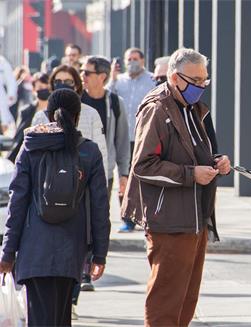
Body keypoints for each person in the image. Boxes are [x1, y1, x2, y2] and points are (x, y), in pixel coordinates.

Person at [121, 48, 231, 327]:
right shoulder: (158, 108)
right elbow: (143, 165)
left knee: (186, 301)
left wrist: (216, 161)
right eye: (195, 79)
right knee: (166, 303)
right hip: (169, 221)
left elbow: (195, 153)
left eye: (205, 80)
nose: (201, 86)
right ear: (174, 77)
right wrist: (190, 174)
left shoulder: (191, 107)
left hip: (194, 218)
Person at [0, 88, 110, 326]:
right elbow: (100, 206)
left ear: (49, 115)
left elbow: (16, 204)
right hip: (71, 253)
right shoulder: (88, 151)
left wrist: (8, 252)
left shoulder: (31, 147)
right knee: (61, 320)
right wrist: (99, 254)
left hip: (34, 252)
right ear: (78, 116)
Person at [32, 65, 109, 179]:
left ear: (77, 85)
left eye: (68, 81)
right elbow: (32, 156)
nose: (62, 84)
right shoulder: (40, 117)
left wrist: (102, 184)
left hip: (83, 181)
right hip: (48, 184)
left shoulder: (91, 114)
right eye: (57, 81)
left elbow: (101, 152)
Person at [108, 47, 155, 232]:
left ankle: (146, 217)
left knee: (143, 178)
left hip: (144, 138)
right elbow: (106, 97)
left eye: (135, 58)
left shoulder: (151, 80)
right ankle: (127, 218)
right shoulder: (118, 82)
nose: (132, 62)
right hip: (122, 139)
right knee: (124, 178)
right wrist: (112, 78)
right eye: (129, 59)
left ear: (142, 60)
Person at [81, 56, 130, 201]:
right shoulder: (76, 100)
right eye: (81, 71)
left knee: (100, 218)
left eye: (87, 73)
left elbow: (122, 141)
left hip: (104, 173)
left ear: (102, 76)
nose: (82, 76)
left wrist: (123, 174)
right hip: (77, 172)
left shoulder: (115, 102)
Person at [8, 72, 50, 162]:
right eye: (40, 88)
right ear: (34, 89)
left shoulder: (56, 112)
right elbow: (19, 137)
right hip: (30, 157)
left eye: (47, 87)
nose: (44, 90)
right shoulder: (26, 112)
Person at [0, 54, 17, 132]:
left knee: (5, 121)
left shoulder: (3, 62)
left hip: (1, 98)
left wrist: (11, 94)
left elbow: (11, 81)